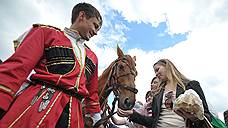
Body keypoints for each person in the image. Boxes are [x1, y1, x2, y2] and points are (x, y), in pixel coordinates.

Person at [0, 2, 103, 128]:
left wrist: (97, 118)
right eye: (95, 25)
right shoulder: (46, 33)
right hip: (38, 105)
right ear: (82, 16)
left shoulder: (93, 57)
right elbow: (17, 67)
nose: (96, 32)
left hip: (75, 116)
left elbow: (92, 93)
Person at [117, 59, 212, 128]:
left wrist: (194, 118)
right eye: (155, 72)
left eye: (157, 69)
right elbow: (152, 121)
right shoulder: (157, 94)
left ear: (167, 65)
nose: (156, 74)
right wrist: (132, 114)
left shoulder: (191, 85)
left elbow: (206, 115)